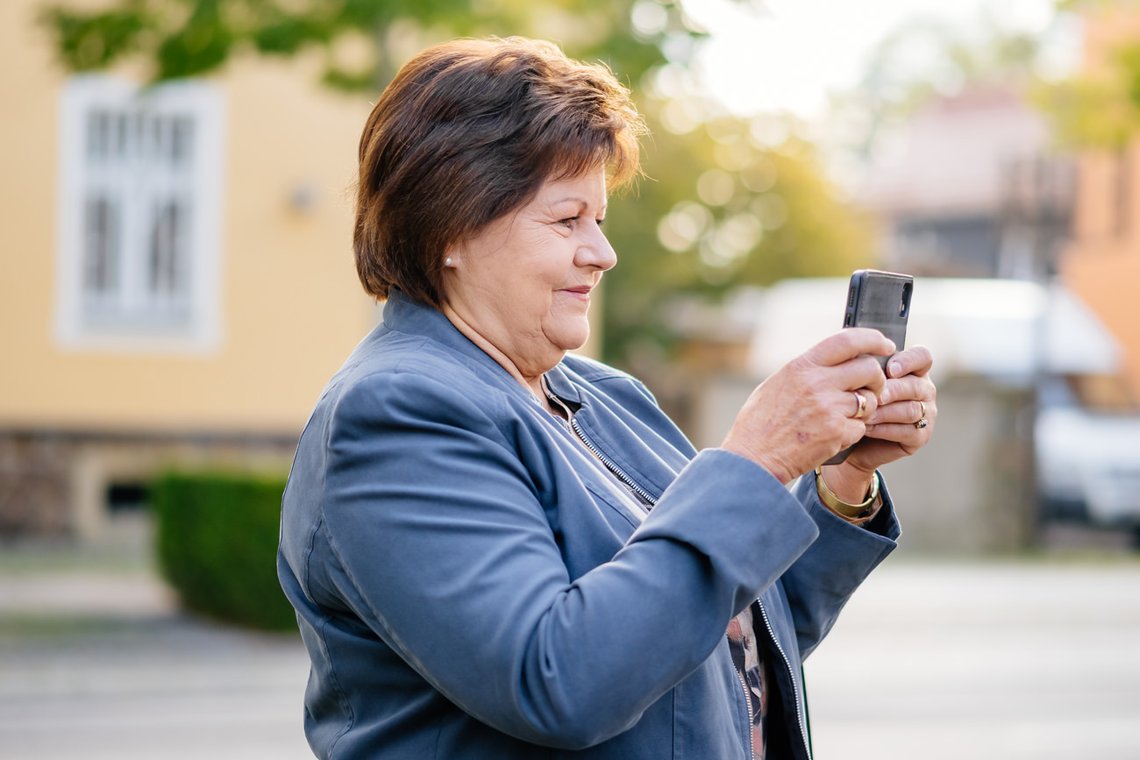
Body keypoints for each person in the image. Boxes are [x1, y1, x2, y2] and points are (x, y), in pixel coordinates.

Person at [278, 36, 937, 760]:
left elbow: (716, 642)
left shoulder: (606, 395)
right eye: (566, 221)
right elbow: (558, 682)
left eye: (600, 218)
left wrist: (842, 478)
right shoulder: (395, 416)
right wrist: (758, 459)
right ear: (449, 229)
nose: (602, 251)